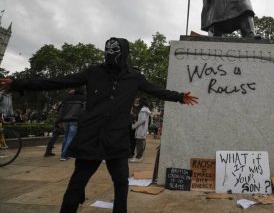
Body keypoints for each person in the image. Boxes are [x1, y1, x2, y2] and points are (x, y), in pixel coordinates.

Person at [0, 37, 198, 213]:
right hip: (91, 137)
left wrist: (179, 97)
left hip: (116, 138)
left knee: (121, 182)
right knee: (78, 182)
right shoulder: (93, 72)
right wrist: (19, 83)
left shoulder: (134, 77)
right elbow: (57, 81)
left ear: (124, 54)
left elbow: (156, 91)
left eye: (116, 52)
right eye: (108, 51)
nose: (111, 56)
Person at [58, 89, 86, 161]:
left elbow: (61, 110)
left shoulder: (66, 99)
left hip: (65, 120)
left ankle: (64, 154)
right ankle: (64, 155)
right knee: (70, 138)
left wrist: (60, 120)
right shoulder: (83, 98)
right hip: (75, 120)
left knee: (66, 137)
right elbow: (84, 110)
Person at [129, 97, 150, 162]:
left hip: (141, 129)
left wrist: (134, 126)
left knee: (140, 143)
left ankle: (138, 157)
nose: (138, 102)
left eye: (139, 101)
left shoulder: (143, 110)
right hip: (141, 129)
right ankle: (138, 156)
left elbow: (141, 120)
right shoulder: (145, 110)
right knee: (139, 143)